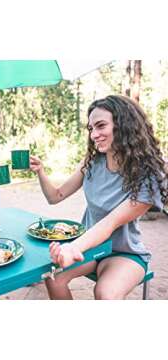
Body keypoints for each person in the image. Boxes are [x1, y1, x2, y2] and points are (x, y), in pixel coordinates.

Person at [30, 95, 168, 300]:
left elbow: (110, 223)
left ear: (123, 125)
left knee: (105, 293)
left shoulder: (147, 175)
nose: (94, 134)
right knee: (53, 277)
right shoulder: (92, 161)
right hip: (90, 247)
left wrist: (72, 247)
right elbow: (55, 196)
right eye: (91, 128)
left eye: (101, 126)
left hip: (124, 252)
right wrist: (40, 171)